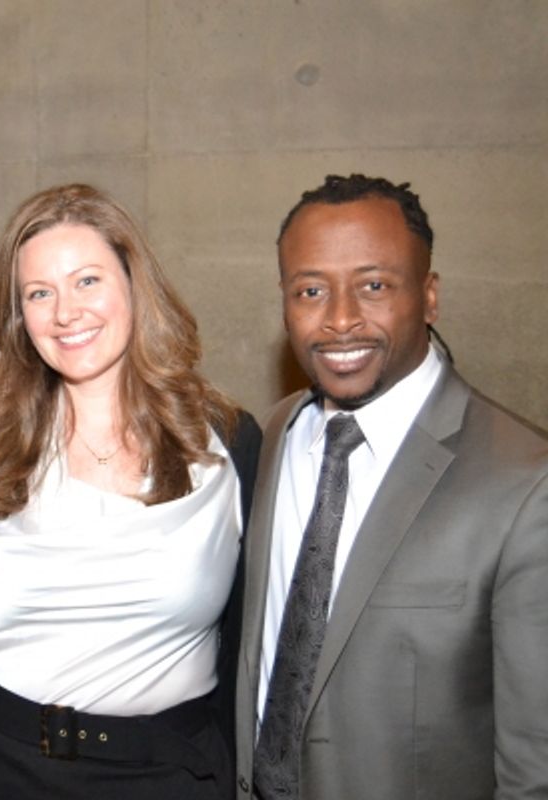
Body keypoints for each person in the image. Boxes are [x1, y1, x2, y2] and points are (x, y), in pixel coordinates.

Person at [234, 174, 548, 799]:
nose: (341, 319)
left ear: (429, 297)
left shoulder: (526, 483)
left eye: (374, 286)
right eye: (311, 290)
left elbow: (535, 765)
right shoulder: (267, 438)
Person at [0, 183, 261, 799]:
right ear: (19, 316)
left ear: (132, 285)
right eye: (40, 293)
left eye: (88, 280)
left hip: (168, 774)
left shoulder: (227, 443)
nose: (66, 312)